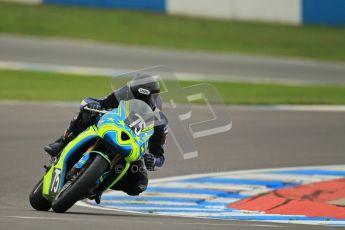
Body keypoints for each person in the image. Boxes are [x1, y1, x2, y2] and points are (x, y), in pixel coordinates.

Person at [44, 74, 168, 197]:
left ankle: (100, 185)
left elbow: (159, 156)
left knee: (139, 185)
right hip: (110, 127)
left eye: (145, 100)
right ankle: (62, 142)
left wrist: (152, 160)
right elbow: (96, 102)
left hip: (131, 146)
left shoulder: (160, 121)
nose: (139, 101)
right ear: (130, 91)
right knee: (88, 113)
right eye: (136, 96)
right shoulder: (123, 94)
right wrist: (92, 105)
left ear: (154, 98)